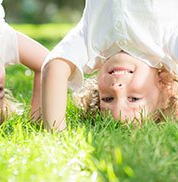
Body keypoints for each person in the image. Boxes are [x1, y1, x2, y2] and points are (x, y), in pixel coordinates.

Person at [42, 0, 178, 130]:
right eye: (133, 99)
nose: (116, 88)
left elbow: (55, 66)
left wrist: (57, 133)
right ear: (166, 88)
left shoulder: (91, 42)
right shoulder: (167, 39)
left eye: (108, 98)